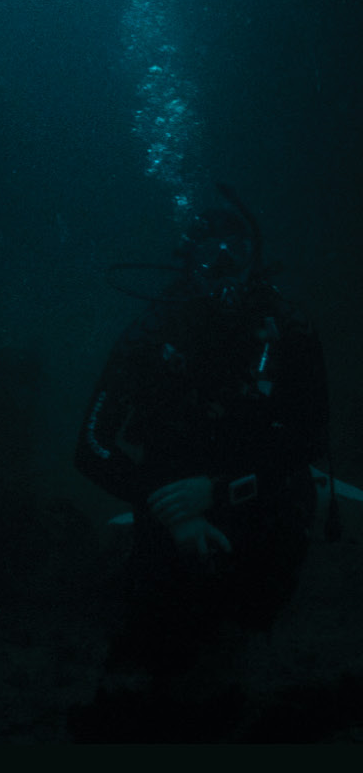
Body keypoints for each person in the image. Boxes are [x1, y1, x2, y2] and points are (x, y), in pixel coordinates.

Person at [72, 191, 333, 733]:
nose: (223, 261)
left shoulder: (288, 330)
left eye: (236, 248)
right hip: (172, 500)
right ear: (187, 258)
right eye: (209, 249)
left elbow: (310, 439)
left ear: (255, 256)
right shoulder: (151, 336)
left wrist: (218, 490)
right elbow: (91, 445)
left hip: (256, 492)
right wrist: (171, 509)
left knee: (253, 612)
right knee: (155, 640)